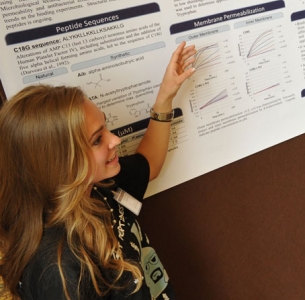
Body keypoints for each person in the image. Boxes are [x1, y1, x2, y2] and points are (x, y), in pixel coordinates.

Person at [0, 42, 196, 300]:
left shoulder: (100, 185)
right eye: (96, 140)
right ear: (61, 163)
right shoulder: (57, 269)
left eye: (105, 128)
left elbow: (149, 164)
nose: (114, 140)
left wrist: (165, 97)